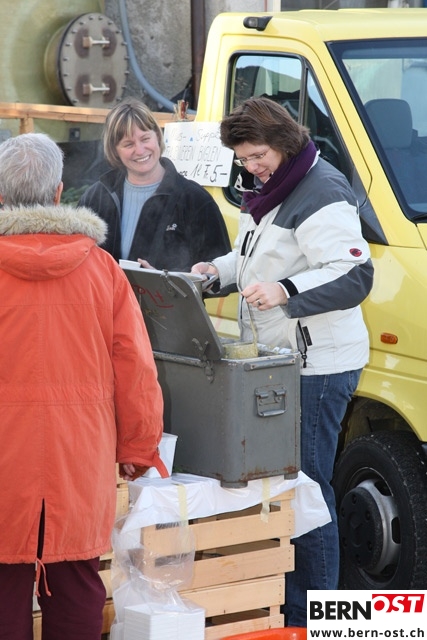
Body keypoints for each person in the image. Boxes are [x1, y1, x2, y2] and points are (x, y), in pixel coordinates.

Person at [192, 97, 374, 627]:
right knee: (294, 489)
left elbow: (353, 274)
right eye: (244, 159)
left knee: (307, 491)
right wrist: (216, 273)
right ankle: (291, 610)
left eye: (258, 156)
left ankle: (314, 621)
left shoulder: (322, 191)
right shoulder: (275, 188)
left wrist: (286, 290)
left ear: (285, 143)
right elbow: (255, 259)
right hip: (283, 361)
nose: (252, 168)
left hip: (318, 366)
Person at [0, 132, 166, 640]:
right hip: (80, 456)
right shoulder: (101, 269)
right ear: (58, 192)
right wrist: (138, 447)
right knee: (76, 583)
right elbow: (135, 368)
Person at [78, 98, 231, 270]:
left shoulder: (195, 200)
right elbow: (77, 263)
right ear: (114, 150)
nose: (140, 150)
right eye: (128, 144)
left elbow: (218, 275)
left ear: (157, 136)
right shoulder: (95, 199)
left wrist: (162, 281)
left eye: (145, 139)